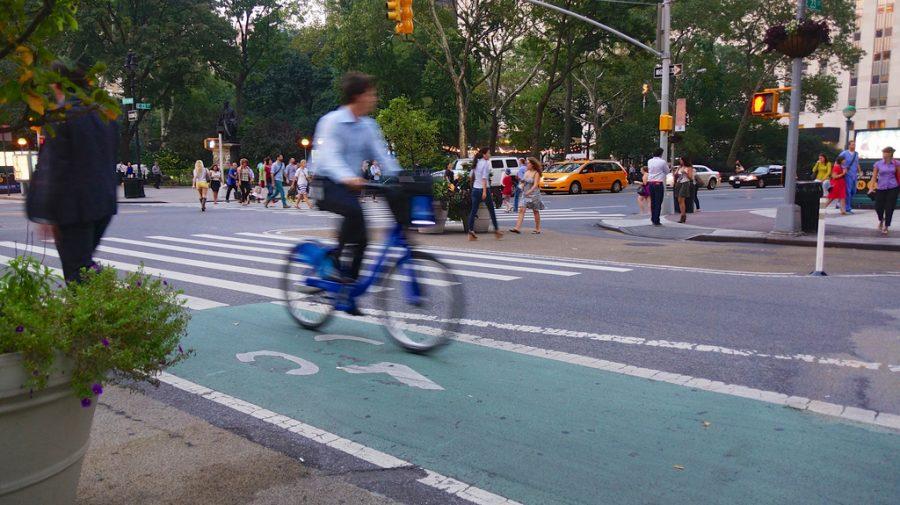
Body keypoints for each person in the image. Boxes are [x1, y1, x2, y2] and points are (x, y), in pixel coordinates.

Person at [25, 61, 118, 284]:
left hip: (72, 207)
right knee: (83, 265)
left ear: (56, 86)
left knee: (77, 272)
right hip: (102, 203)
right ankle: (104, 306)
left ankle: (98, 312)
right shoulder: (104, 115)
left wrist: (44, 213)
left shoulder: (63, 116)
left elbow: (52, 165)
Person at [311, 71, 400, 288]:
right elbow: (329, 156)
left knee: (364, 237)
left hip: (350, 186)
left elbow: (381, 155)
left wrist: (400, 176)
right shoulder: (332, 122)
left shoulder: (368, 126)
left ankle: (349, 284)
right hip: (325, 183)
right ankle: (332, 261)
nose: (374, 98)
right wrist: (347, 177)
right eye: (371, 94)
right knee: (356, 213)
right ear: (358, 96)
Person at [467, 147, 502, 241]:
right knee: (491, 210)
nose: (489, 155)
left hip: (475, 189)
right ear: (484, 154)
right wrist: (484, 191)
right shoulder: (485, 164)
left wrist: (474, 185)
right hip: (483, 189)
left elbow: (470, 176)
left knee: (473, 211)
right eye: (489, 153)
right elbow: (484, 179)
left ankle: (470, 231)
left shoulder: (476, 162)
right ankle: (497, 230)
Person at [508, 157, 544, 234]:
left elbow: (535, 185)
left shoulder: (536, 173)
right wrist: (520, 185)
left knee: (535, 211)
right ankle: (517, 228)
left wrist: (530, 191)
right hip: (525, 193)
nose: (526, 164)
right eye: (526, 163)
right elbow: (523, 182)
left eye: (528, 163)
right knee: (521, 210)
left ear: (532, 164)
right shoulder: (527, 172)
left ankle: (538, 228)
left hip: (534, 194)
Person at [870, 146, 900, 235]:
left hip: (893, 187)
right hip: (881, 187)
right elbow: (874, 176)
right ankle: (881, 219)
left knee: (889, 207)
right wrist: (871, 187)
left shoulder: (896, 163)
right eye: (883, 152)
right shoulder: (878, 164)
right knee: (878, 206)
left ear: (890, 153)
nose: (884, 154)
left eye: (886, 152)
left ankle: (886, 226)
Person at [647, 147, 669, 225]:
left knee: (653, 202)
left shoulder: (649, 161)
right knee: (658, 202)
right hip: (658, 183)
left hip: (650, 183)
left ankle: (653, 218)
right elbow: (667, 171)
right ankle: (656, 220)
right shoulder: (662, 162)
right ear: (661, 154)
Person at [839, 140, 860, 213]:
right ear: (849, 146)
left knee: (853, 191)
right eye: (852, 145)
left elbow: (857, 163)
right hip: (847, 175)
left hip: (854, 175)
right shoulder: (844, 153)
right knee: (848, 191)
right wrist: (844, 168)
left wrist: (859, 172)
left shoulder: (856, 154)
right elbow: (838, 161)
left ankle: (841, 203)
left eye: (854, 145)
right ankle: (847, 208)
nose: (854, 146)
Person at [674, 156, 694, 223]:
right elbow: (675, 175)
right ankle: (683, 214)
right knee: (679, 200)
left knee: (681, 198)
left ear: (684, 160)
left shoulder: (689, 168)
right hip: (679, 183)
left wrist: (685, 173)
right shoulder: (680, 167)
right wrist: (676, 171)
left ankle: (683, 216)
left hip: (685, 183)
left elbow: (691, 178)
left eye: (681, 160)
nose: (680, 161)